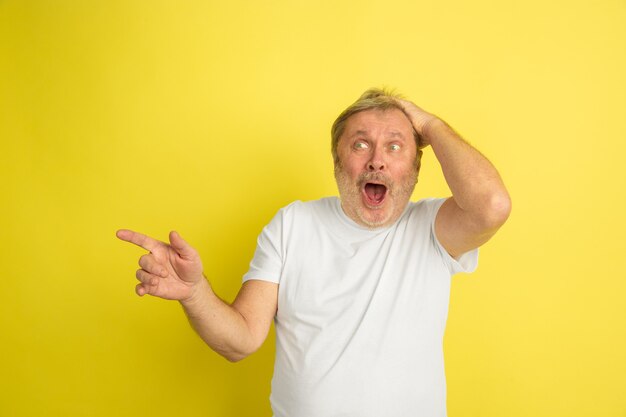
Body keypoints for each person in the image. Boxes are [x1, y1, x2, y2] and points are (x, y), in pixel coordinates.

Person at [117, 88, 511, 417]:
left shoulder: (433, 228)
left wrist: (429, 125)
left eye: (395, 146)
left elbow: (492, 205)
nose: (377, 159)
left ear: (415, 168)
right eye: (361, 144)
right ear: (338, 160)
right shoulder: (293, 225)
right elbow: (240, 341)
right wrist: (194, 292)